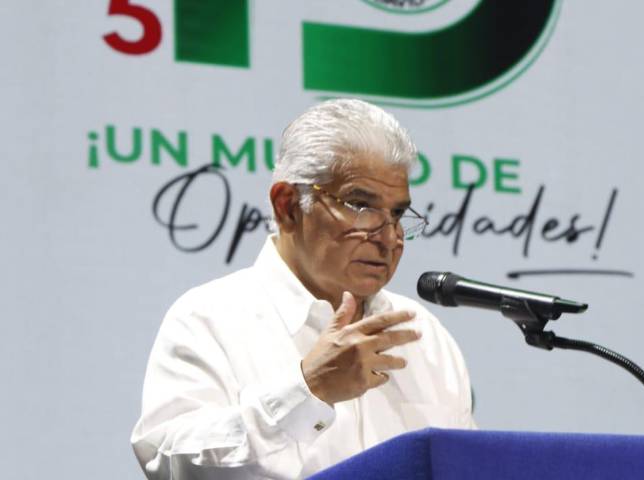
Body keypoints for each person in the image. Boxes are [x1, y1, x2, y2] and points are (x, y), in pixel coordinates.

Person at [131, 99, 476, 479]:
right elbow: (174, 465)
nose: (389, 237)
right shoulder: (208, 318)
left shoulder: (423, 335)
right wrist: (308, 391)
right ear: (288, 206)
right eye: (360, 205)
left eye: (396, 213)